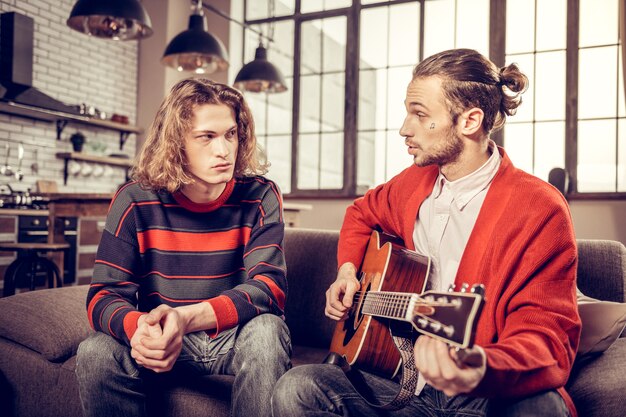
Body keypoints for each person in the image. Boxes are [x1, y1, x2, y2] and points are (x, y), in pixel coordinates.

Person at [272, 48, 581, 417]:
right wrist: (347, 271)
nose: (404, 128)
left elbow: (548, 341)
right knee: (297, 388)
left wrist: (479, 365)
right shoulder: (413, 182)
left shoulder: (539, 208)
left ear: (470, 120)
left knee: (542, 409)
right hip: (404, 384)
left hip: (482, 393)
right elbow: (360, 214)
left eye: (419, 114)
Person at [76, 78, 290, 417]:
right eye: (207, 136)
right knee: (95, 351)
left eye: (230, 134)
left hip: (233, 336)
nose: (224, 150)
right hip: (162, 339)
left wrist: (184, 319)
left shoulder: (260, 195)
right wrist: (139, 328)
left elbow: (269, 289)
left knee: (268, 331)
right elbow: (103, 295)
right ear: (176, 143)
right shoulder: (134, 199)